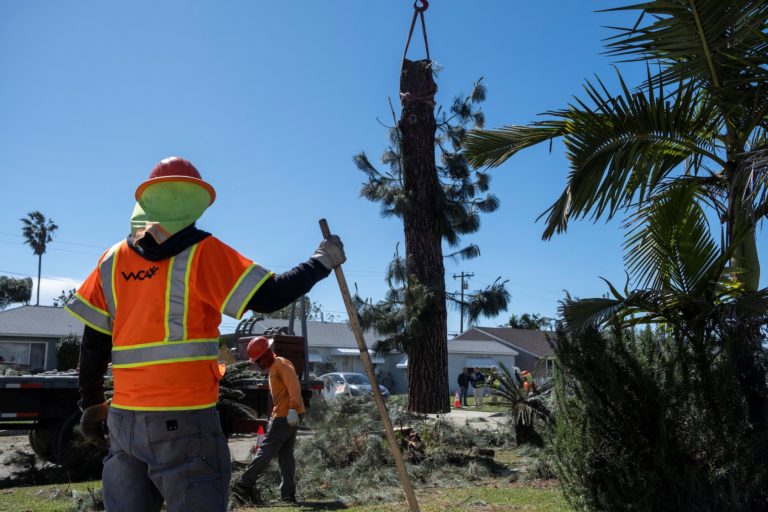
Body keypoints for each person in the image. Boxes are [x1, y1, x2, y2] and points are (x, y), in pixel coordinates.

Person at [65, 156, 345, 512]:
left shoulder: (111, 261)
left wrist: (91, 404)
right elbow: (270, 295)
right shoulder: (202, 252)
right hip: (185, 420)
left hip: (125, 421)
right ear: (196, 204)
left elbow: (94, 342)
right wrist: (321, 261)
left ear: (147, 202)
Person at [231, 336, 302, 504]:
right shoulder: (275, 366)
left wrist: (292, 408)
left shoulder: (281, 364)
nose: (258, 364)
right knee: (285, 455)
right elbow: (281, 395)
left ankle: (244, 484)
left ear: (267, 353)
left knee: (266, 450)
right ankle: (288, 495)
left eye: (259, 360)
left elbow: (294, 386)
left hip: (287, 415)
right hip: (286, 414)